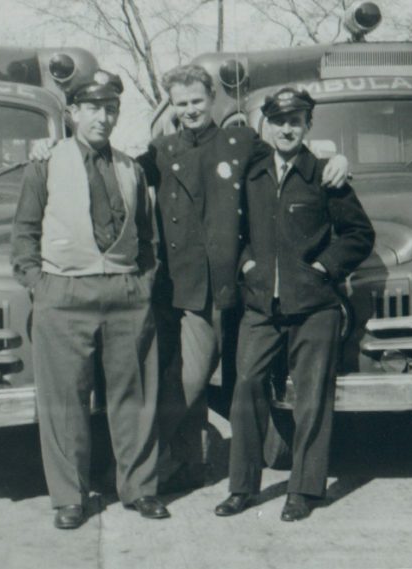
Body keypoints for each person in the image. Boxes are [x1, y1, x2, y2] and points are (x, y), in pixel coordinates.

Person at [32, 64, 350, 494]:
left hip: (233, 284)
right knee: (181, 380)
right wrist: (54, 147)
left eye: (197, 101)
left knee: (221, 382)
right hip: (182, 288)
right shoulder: (161, 150)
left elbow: (289, 159)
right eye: (181, 104)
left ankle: (171, 467)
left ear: (213, 98)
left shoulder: (241, 143)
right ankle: (164, 466)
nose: (190, 110)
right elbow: (112, 168)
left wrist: (335, 161)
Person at [11, 70, 169, 530]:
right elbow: (24, 234)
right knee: (65, 402)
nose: (103, 117)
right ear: (73, 113)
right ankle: (70, 497)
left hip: (125, 293)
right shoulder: (45, 163)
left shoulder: (131, 168)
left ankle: (140, 489)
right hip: (63, 292)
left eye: (111, 109)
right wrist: (39, 285)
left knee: (135, 398)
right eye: (94, 108)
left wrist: (143, 282)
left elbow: (147, 237)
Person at [214, 86, 375, 522]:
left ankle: (303, 490)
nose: (286, 129)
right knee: (246, 386)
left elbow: (360, 234)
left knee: (311, 399)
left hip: (315, 306)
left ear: (308, 125)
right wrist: (246, 265)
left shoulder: (324, 174)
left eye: (295, 121)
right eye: (279, 121)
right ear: (266, 125)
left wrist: (324, 267)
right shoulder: (251, 174)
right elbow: (234, 231)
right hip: (260, 307)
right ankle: (242, 488)